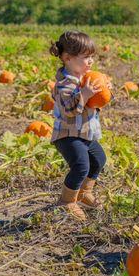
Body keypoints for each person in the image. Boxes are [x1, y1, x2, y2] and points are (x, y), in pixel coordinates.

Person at [49, 31, 111, 220]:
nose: (90, 61)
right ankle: (66, 201)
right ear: (67, 58)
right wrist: (84, 94)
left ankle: (84, 193)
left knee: (99, 159)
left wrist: (105, 89)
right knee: (81, 166)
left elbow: (97, 102)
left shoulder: (86, 79)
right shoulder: (63, 85)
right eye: (85, 57)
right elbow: (70, 109)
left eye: (92, 57)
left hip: (85, 133)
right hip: (68, 136)